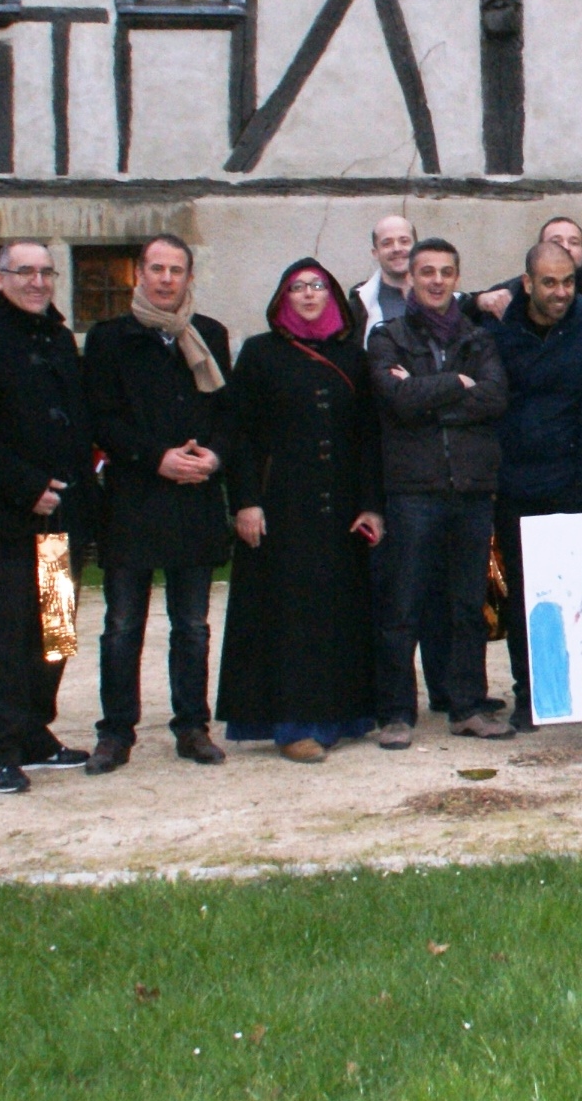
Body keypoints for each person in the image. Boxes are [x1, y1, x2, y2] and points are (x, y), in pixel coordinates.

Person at [0, 238, 96, 795]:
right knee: (6, 637)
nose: (37, 282)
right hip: (9, 521)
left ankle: (34, 733)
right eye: (24, 271)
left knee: (54, 633)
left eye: (46, 272)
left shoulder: (58, 338)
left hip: (62, 519)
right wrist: (27, 487)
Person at [218, 260, 384, 762]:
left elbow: (367, 437)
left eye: (317, 286)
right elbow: (240, 435)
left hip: (341, 511)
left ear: (331, 295)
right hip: (282, 508)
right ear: (283, 297)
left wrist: (371, 506)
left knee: (338, 614)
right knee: (290, 619)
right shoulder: (260, 353)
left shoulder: (353, 357)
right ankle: (294, 725)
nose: (309, 294)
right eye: (297, 287)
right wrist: (246, 501)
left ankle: (342, 715)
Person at [84, 234, 235, 772]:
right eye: (156, 268)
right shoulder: (109, 338)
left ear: (189, 277)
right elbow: (100, 417)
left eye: (176, 270)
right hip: (134, 500)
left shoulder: (209, 334)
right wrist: (156, 458)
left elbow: (227, 412)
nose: (166, 278)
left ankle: (192, 727)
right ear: (139, 274)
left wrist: (213, 457)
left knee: (191, 625)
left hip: (194, 501)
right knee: (123, 625)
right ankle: (115, 732)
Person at [371, 238, 515, 742]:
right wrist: (457, 382)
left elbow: (494, 398)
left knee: (466, 606)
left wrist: (426, 395)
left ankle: (466, 706)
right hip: (414, 489)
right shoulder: (387, 337)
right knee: (403, 605)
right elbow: (396, 400)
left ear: (457, 278)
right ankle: (396, 714)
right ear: (410, 278)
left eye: (446, 272)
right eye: (427, 271)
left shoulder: (478, 338)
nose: (436, 281)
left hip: (470, 489)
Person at [489, 239, 582, 725]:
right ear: (527, 284)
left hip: (574, 477)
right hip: (514, 481)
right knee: (526, 595)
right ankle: (533, 694)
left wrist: (581, 479)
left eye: (568, 281)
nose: (561, 292)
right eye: (549, 283)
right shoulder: (499, 324)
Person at [468, 216, 582, 323]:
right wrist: (479, 301)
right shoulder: (516, 289)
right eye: (556, 241)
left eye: (574, 242)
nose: (566, 247)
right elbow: (463, 307)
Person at [353, 213, 416, 344]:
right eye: (387, 243)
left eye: (404, 241)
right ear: (375, 253)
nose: (397, 249)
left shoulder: (443, 296)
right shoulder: (358, 306)